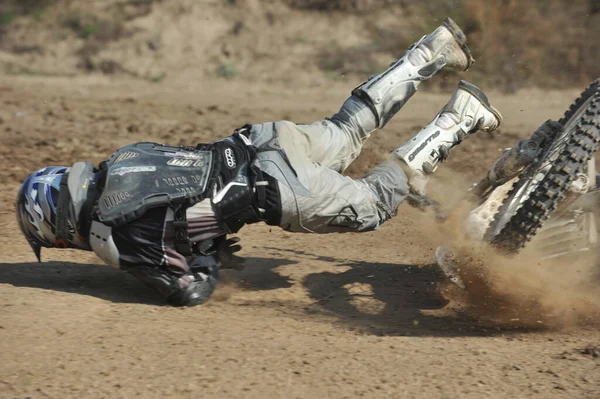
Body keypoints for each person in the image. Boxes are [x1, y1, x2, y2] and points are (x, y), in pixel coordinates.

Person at [16, 18, 502, 306]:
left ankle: (458, 119)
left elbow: (190, 288)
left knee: (375, 204)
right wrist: (204, 231)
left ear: (57, 227)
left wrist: (204, 256)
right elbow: (183, 204)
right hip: (262, 141)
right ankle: (431, 52)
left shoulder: (110, 235)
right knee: (349, 128)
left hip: (277, 187)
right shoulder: (122, 160)